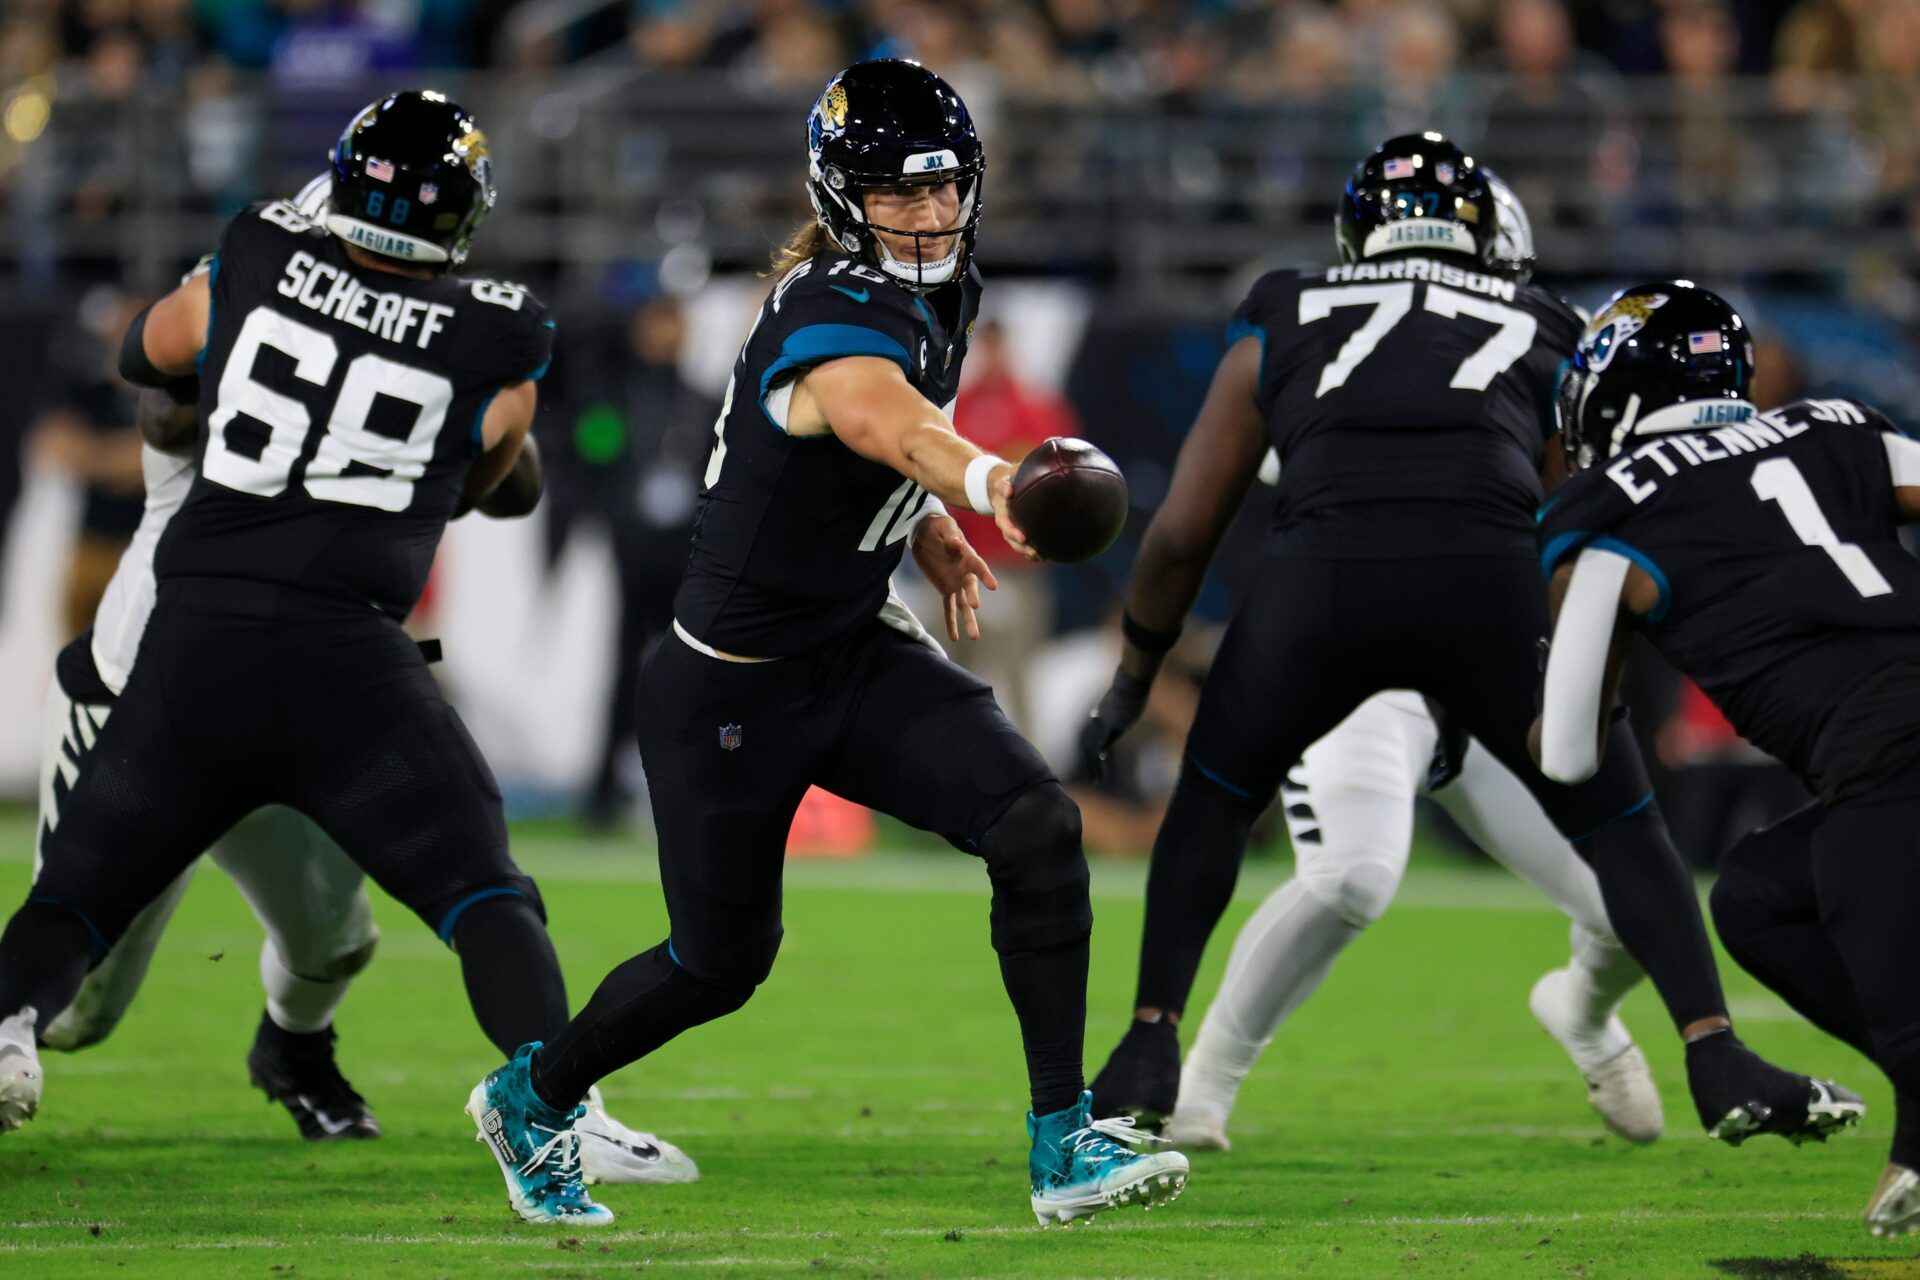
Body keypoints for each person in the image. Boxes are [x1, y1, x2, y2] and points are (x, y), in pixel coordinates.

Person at [464, 60, 1190, 1229]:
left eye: (946, 189)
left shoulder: (940, 285)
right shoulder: (828, 306)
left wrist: (932, 524)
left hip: (848, 647)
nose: (931, 215)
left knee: (1037, 821)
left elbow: (878, 449)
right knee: (719, 964)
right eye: (900, 197)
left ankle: (1066, 1142)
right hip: (730, 690)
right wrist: (991, 479)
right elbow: (877, 415)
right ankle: (530, 1095)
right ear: (845, 198)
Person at [1079, 133, 1855, 1147]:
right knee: (1600, 834)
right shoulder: (1541, 317)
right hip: (1481, 607)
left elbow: (1184, 530)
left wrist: (1137, 671)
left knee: (1215, 797)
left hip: (1324, 599)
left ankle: (1150, 1032)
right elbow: (1581, 513)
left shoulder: (1287, 305)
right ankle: (1713, 1047)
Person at [0, 91, 681, 1214]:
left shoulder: (256, 261)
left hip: (192, 661)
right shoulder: (491, 326)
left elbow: (151, 357)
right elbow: (497, 476)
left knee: (314, 939)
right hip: (264, 664)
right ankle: (549, 1101)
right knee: (474, 890)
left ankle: (292, 1053)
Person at [1538, 284, 1918, 1232]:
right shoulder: (1838, 426)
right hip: (1886, 754)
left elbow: (1576, 752)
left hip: (1885, 758)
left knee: (1905, 1014)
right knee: (1757, 895)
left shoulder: (1612, 507)